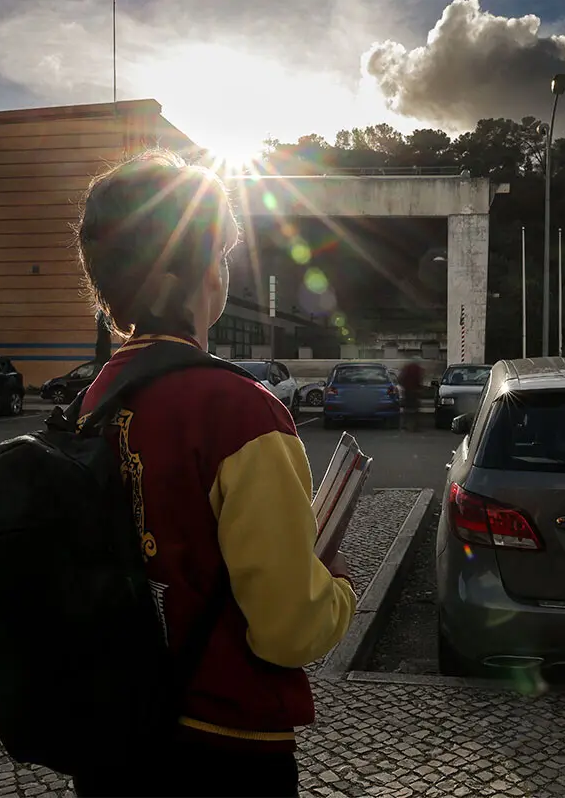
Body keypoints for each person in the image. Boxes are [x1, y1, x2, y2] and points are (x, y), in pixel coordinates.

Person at [70, 150, 356, 797]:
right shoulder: (242, 412)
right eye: (222, 255)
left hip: (113, 736)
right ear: (200, 271)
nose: (224, 271)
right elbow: (288, 629)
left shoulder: (94, 399)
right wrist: (336, 582)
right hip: (225, 750)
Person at [399, 358, 424, 431]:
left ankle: (405, 424)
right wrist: (420, 389)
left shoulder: (407, 368)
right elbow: (419, 380)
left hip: (407, 391)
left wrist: (404, 387)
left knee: (407, 408)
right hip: (415, 391)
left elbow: (401, 379)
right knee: (415, 409)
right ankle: (415, 425)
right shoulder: (417, 369)